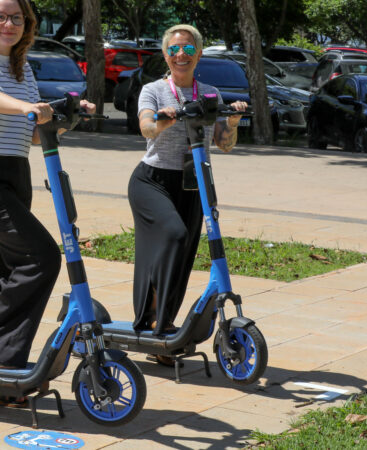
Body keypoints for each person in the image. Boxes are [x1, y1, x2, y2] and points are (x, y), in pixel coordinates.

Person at [0, 0, 94, 407]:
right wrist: (29, 107)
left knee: (4, 270)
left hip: (16, 171)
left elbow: (31, 133)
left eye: (17, 18)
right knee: (41, 257)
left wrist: (65, 116)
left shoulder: (22, 68)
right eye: (1, 16)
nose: (9, 24)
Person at [129, 24, 247, 366]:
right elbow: (145, 127)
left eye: (189, 49)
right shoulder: (153, 90)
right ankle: (153, 320)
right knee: (173, 235)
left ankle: (164, 326)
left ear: (199, 53)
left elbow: (224, 144)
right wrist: (162, 121)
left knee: (183, 253)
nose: (181, 55)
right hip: (152, 181)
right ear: (165, 54)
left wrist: (233, 121)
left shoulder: (210, 94)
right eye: (174, 49)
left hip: (193, 184)